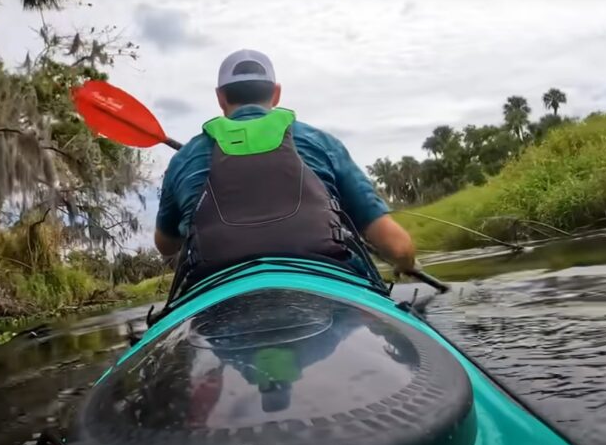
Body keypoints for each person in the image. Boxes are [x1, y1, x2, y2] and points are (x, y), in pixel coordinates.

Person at [154, 49, 416, 279]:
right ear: (276, 94)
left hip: (215, 291)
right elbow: (398, 247)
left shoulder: (184, 159)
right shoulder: (322, 144)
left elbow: (166, 245)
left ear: (220, 98)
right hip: (327, 281)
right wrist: (404, 263)